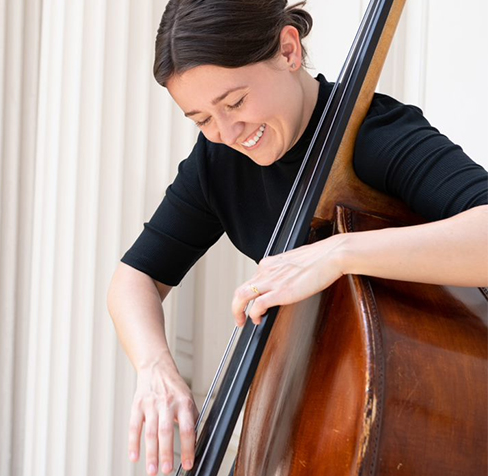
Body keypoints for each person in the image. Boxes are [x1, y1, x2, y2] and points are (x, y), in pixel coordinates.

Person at [106, 0, 488, 475]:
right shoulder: (219, 162)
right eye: (202, 119)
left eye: (235, 102)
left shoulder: (371, 134)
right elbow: (134, 276)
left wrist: (339, 252)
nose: (226, 132)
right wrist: (154, 367)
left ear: (288, 50)